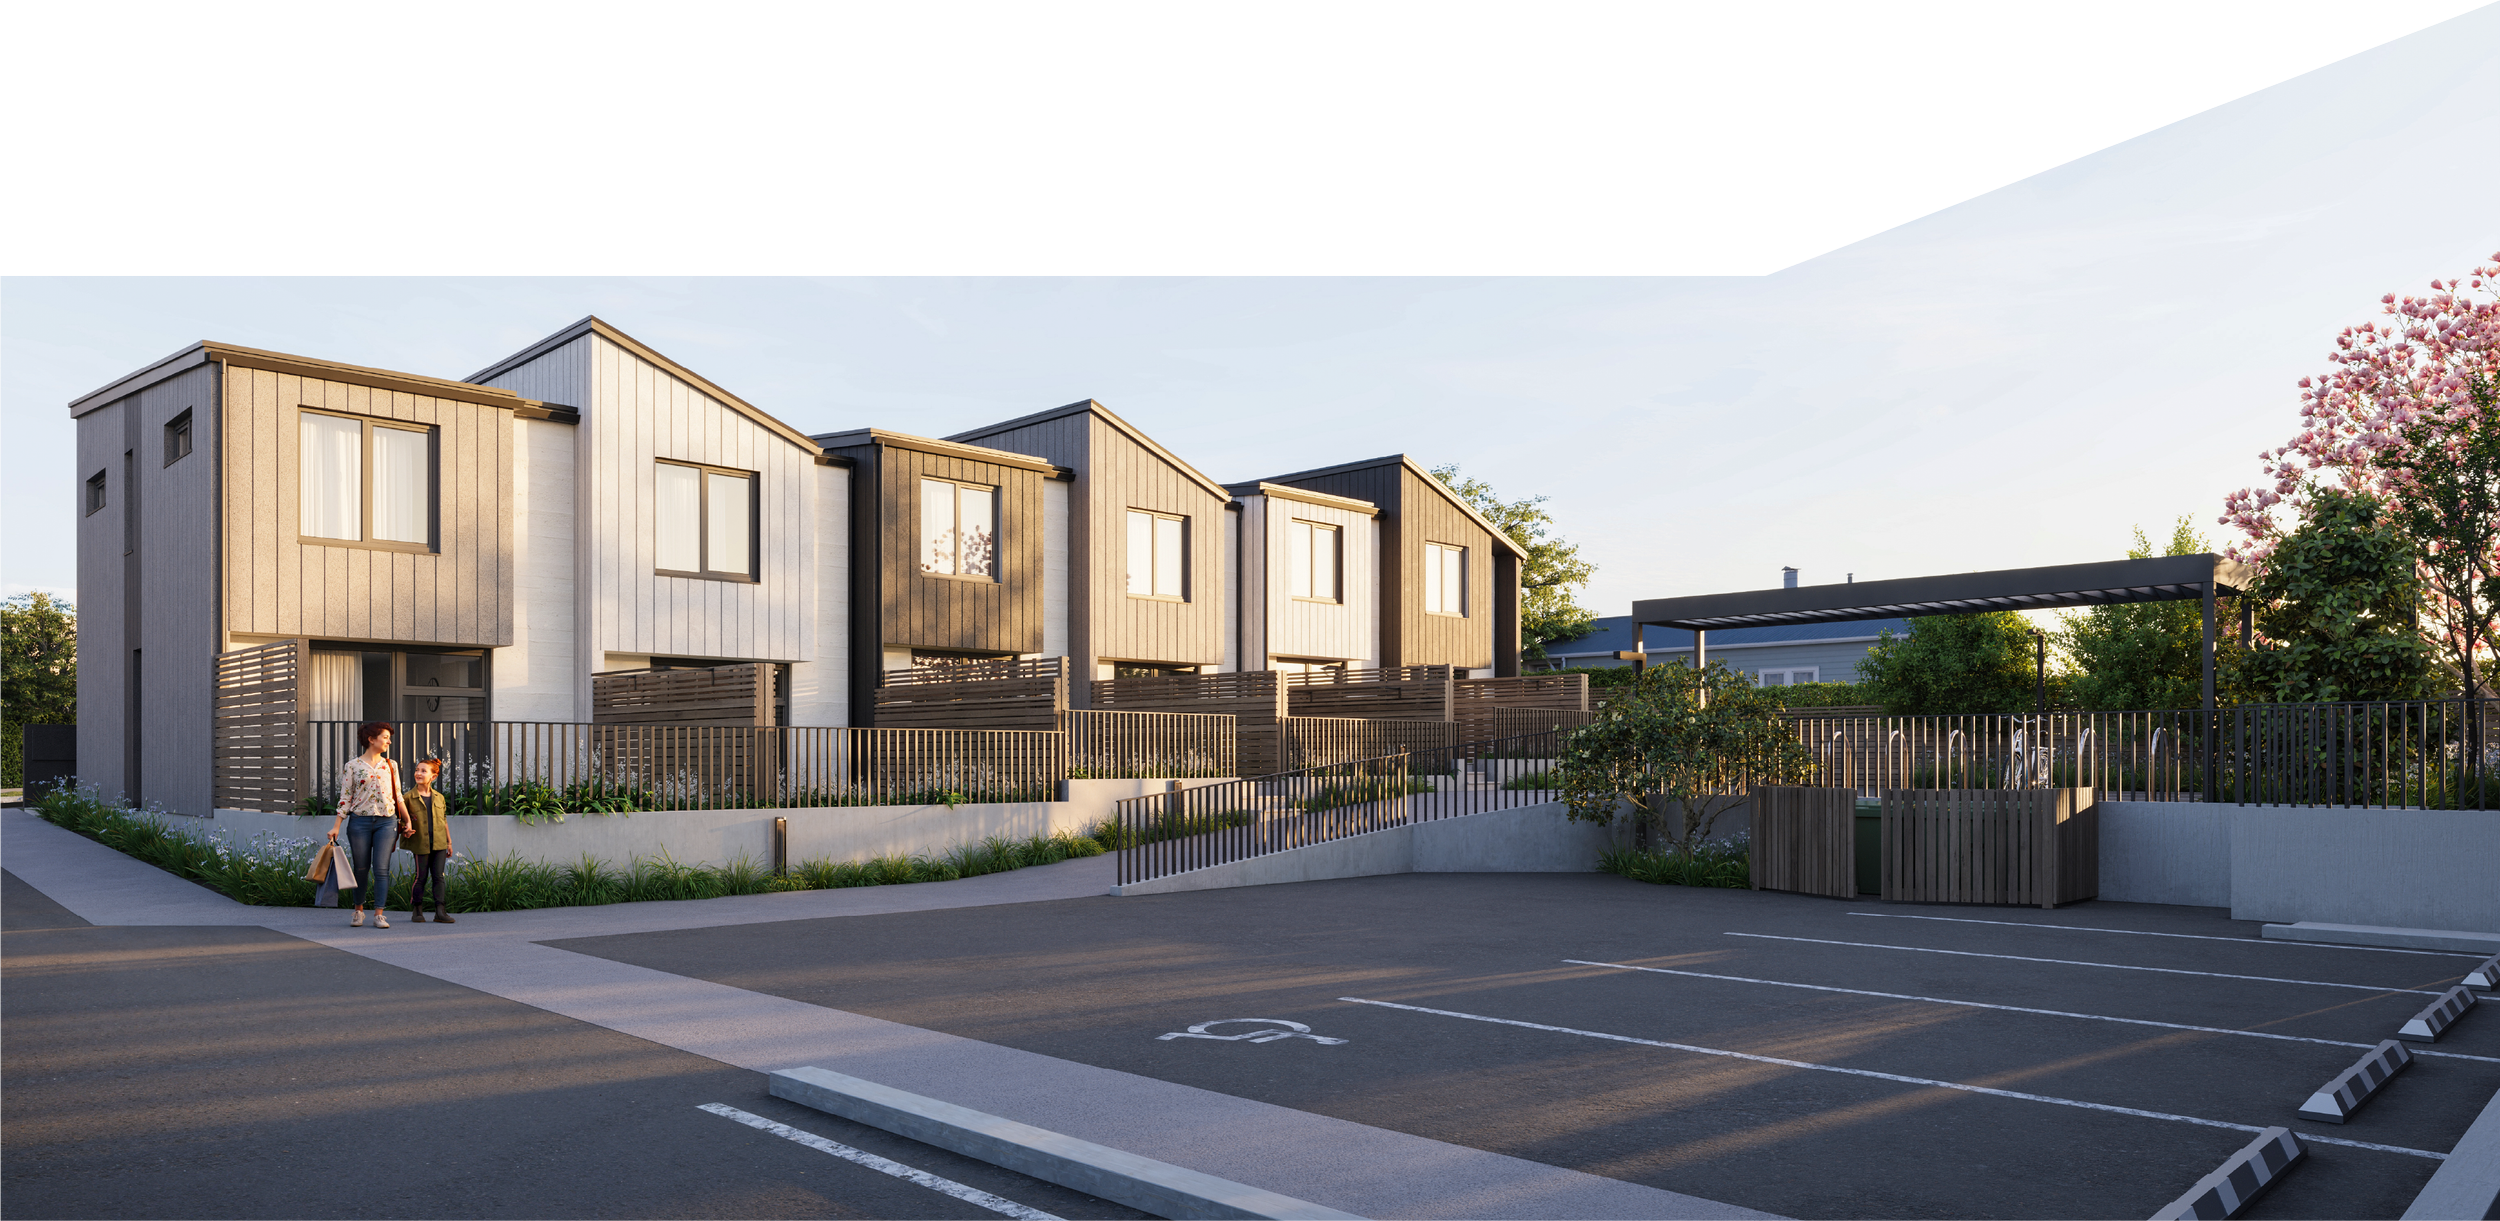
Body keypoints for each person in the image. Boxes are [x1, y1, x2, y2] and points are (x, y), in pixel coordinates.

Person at [327, 722, 413, 928]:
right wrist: (336, 826)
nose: (388, 741)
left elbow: (398, 795)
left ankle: (379, 914)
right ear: (371, 739)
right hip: (359, 822)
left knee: (381, 869)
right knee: (361, 868)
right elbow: (345, 797)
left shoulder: (391, 765)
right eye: (385, 737)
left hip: (387, 822)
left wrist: (407, 819)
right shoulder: (352, 766)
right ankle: (358, 911)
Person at [402, 755, 455, 923]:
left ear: (433, 776)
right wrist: (405, 829)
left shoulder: (439, 797)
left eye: (423, 771)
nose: (418, 773)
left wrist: (449, 842)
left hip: (439, 843)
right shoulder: (408, 798)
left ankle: (440, 911)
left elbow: (443, 820)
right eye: (417, 770)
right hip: (420, 843)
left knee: (439, 876)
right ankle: (417, 910)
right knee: (421, 877)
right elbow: (401, 819)